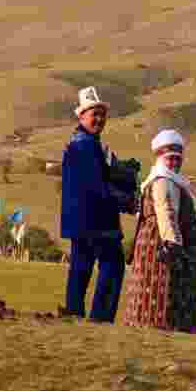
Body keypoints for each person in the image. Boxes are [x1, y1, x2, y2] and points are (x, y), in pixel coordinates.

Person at [60, 86, 135, 322]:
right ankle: (100, 318)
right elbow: (97, 185)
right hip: (97, 220)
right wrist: (127, 201)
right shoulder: (85, 145)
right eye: (94, 114)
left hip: (82, 220)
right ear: (81, 116)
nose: (99, 119)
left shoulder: (83, 143)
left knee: (80, 268)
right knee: (112, 265)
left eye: (102, 114)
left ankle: (74, 315)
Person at [123, 129, 196, 333]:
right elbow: (166, 211)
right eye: (170, 158)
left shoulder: (162, 179)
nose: (174, 163)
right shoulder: (163, 181)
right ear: (160, 158)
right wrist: (173, 243)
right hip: (161, 241)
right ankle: (161, 328)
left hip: (153, 241)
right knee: (163, 290)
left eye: (178, 159)